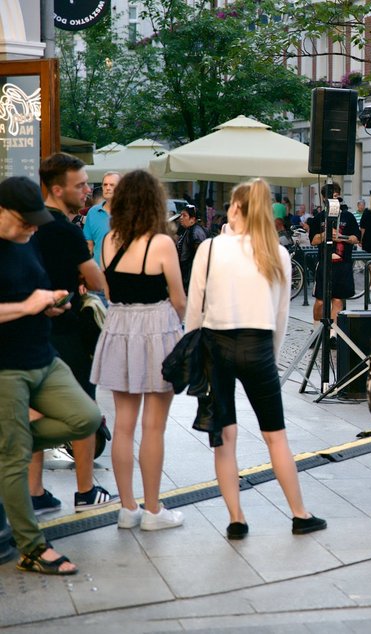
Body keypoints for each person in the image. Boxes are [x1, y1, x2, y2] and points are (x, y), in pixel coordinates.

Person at [186, 178, 327, 539]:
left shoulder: (212, 249)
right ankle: (299, 513)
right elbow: (281, 317)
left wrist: (193, 354)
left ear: (235, 208)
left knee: (225, 436)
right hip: (259, 345)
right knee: (275, 436)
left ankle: (236, 519)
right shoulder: (276, 252)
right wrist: (271, 357)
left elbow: (194, 309)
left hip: (216, 345)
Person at [0, 175, 102, 575]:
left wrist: (50, 305)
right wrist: (27, 306)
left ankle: (11, 448)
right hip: (7, 367)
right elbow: (20, 302)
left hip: (45, 356)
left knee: (87, 419)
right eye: (24, 220)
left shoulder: (28, 240)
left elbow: (34, 290)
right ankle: (31, 547)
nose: (30, 227)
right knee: (13, 459)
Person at [90, 170, 187, 531]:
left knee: (124, 423)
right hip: (157, 327)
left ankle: (127, 508)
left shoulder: (108, 240)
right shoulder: (161, 243)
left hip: (120, 326)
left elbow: (111, 293)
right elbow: (178, 298)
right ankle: (152, 510)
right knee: (154, 426)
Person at [29, 153, 114, 515]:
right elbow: (97, 280)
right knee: (85, 408)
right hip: (66, 330)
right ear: (58, 188)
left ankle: (35, 491)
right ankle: (84, 489)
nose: (87, 191)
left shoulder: (29, 224)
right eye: (80, 185)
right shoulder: (66, 229)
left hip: (32, 332)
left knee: (33, 408)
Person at [310, 182, 359, 328]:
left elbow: (356, 238)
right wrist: (325, 235)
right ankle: (316, 330)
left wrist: (341, 237)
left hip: (342, 264)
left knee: (338, 301)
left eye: (336, 196)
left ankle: (332, 333)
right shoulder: (319, 217)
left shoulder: (348, 216)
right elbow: (313, 240)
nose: (334, 200)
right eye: (330, 197)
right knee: (320, 301)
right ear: (324, 198)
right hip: (325, 263)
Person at [84, 171, 120, 269]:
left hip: (123, 274)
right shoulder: (93, 212)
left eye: (112, 185)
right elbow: (89, 245)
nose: (108, 188)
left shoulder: (129, 212)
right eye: (105, 185)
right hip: (99, 273)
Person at [176, 205, 208, 294]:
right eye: (181, 215)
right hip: (187, 275)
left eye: (184, 215)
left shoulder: (196, 232)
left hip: (191, 277)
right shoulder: (188, 230)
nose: (181, 218)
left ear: (192, 219)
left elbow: (201, 256)